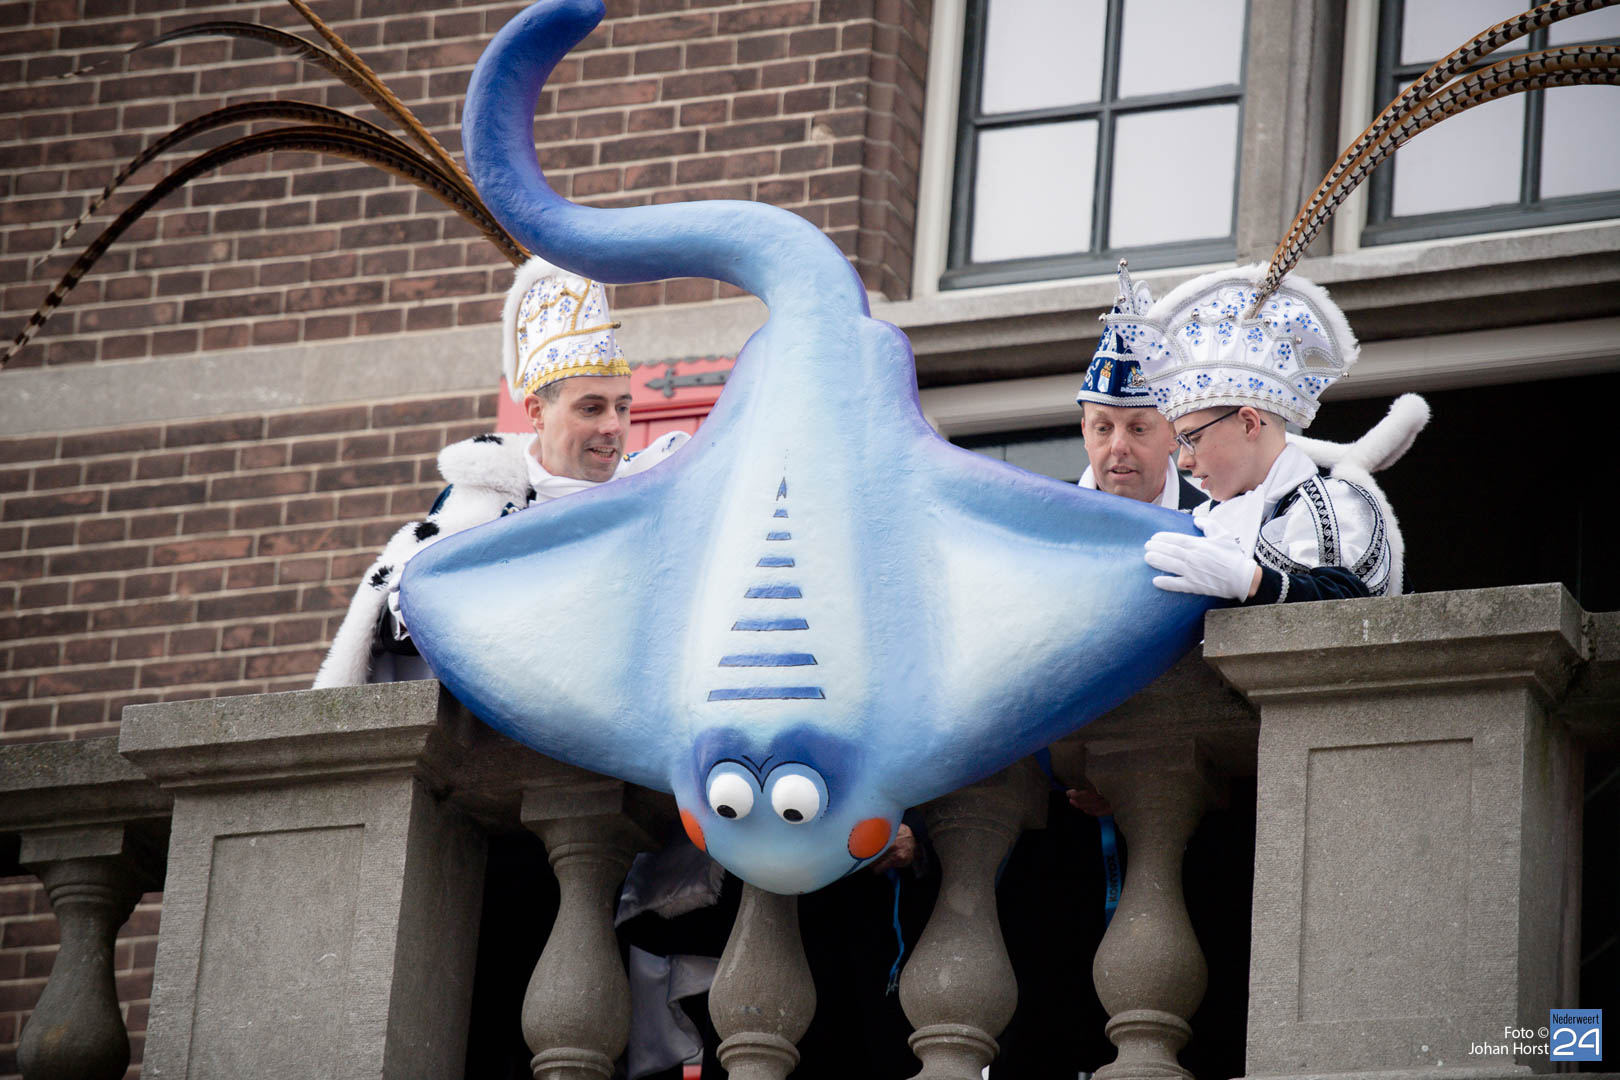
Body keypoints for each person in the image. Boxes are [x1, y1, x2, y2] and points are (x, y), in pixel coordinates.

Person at [312, 257, 687, 688]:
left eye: (622, 407)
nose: (613, 426)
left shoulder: (658, 494)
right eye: (591, 408)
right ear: (536, 412)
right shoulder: (476, 508)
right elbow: (394, 627)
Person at [1126, 265, 1425, 604]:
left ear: (1248, 424)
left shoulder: (1333, 503)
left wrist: (1250, 580)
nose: (1183, 461)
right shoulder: (1204, 519)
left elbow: (1350, 607)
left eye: (1192, 439)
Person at [1076, 265, 1205, 511]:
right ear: (1085, 433)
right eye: (1102, 428)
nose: (1118, 447)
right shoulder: (1049, 523)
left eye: (1138, 429)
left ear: (1174, 434)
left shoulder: (1214, 525)